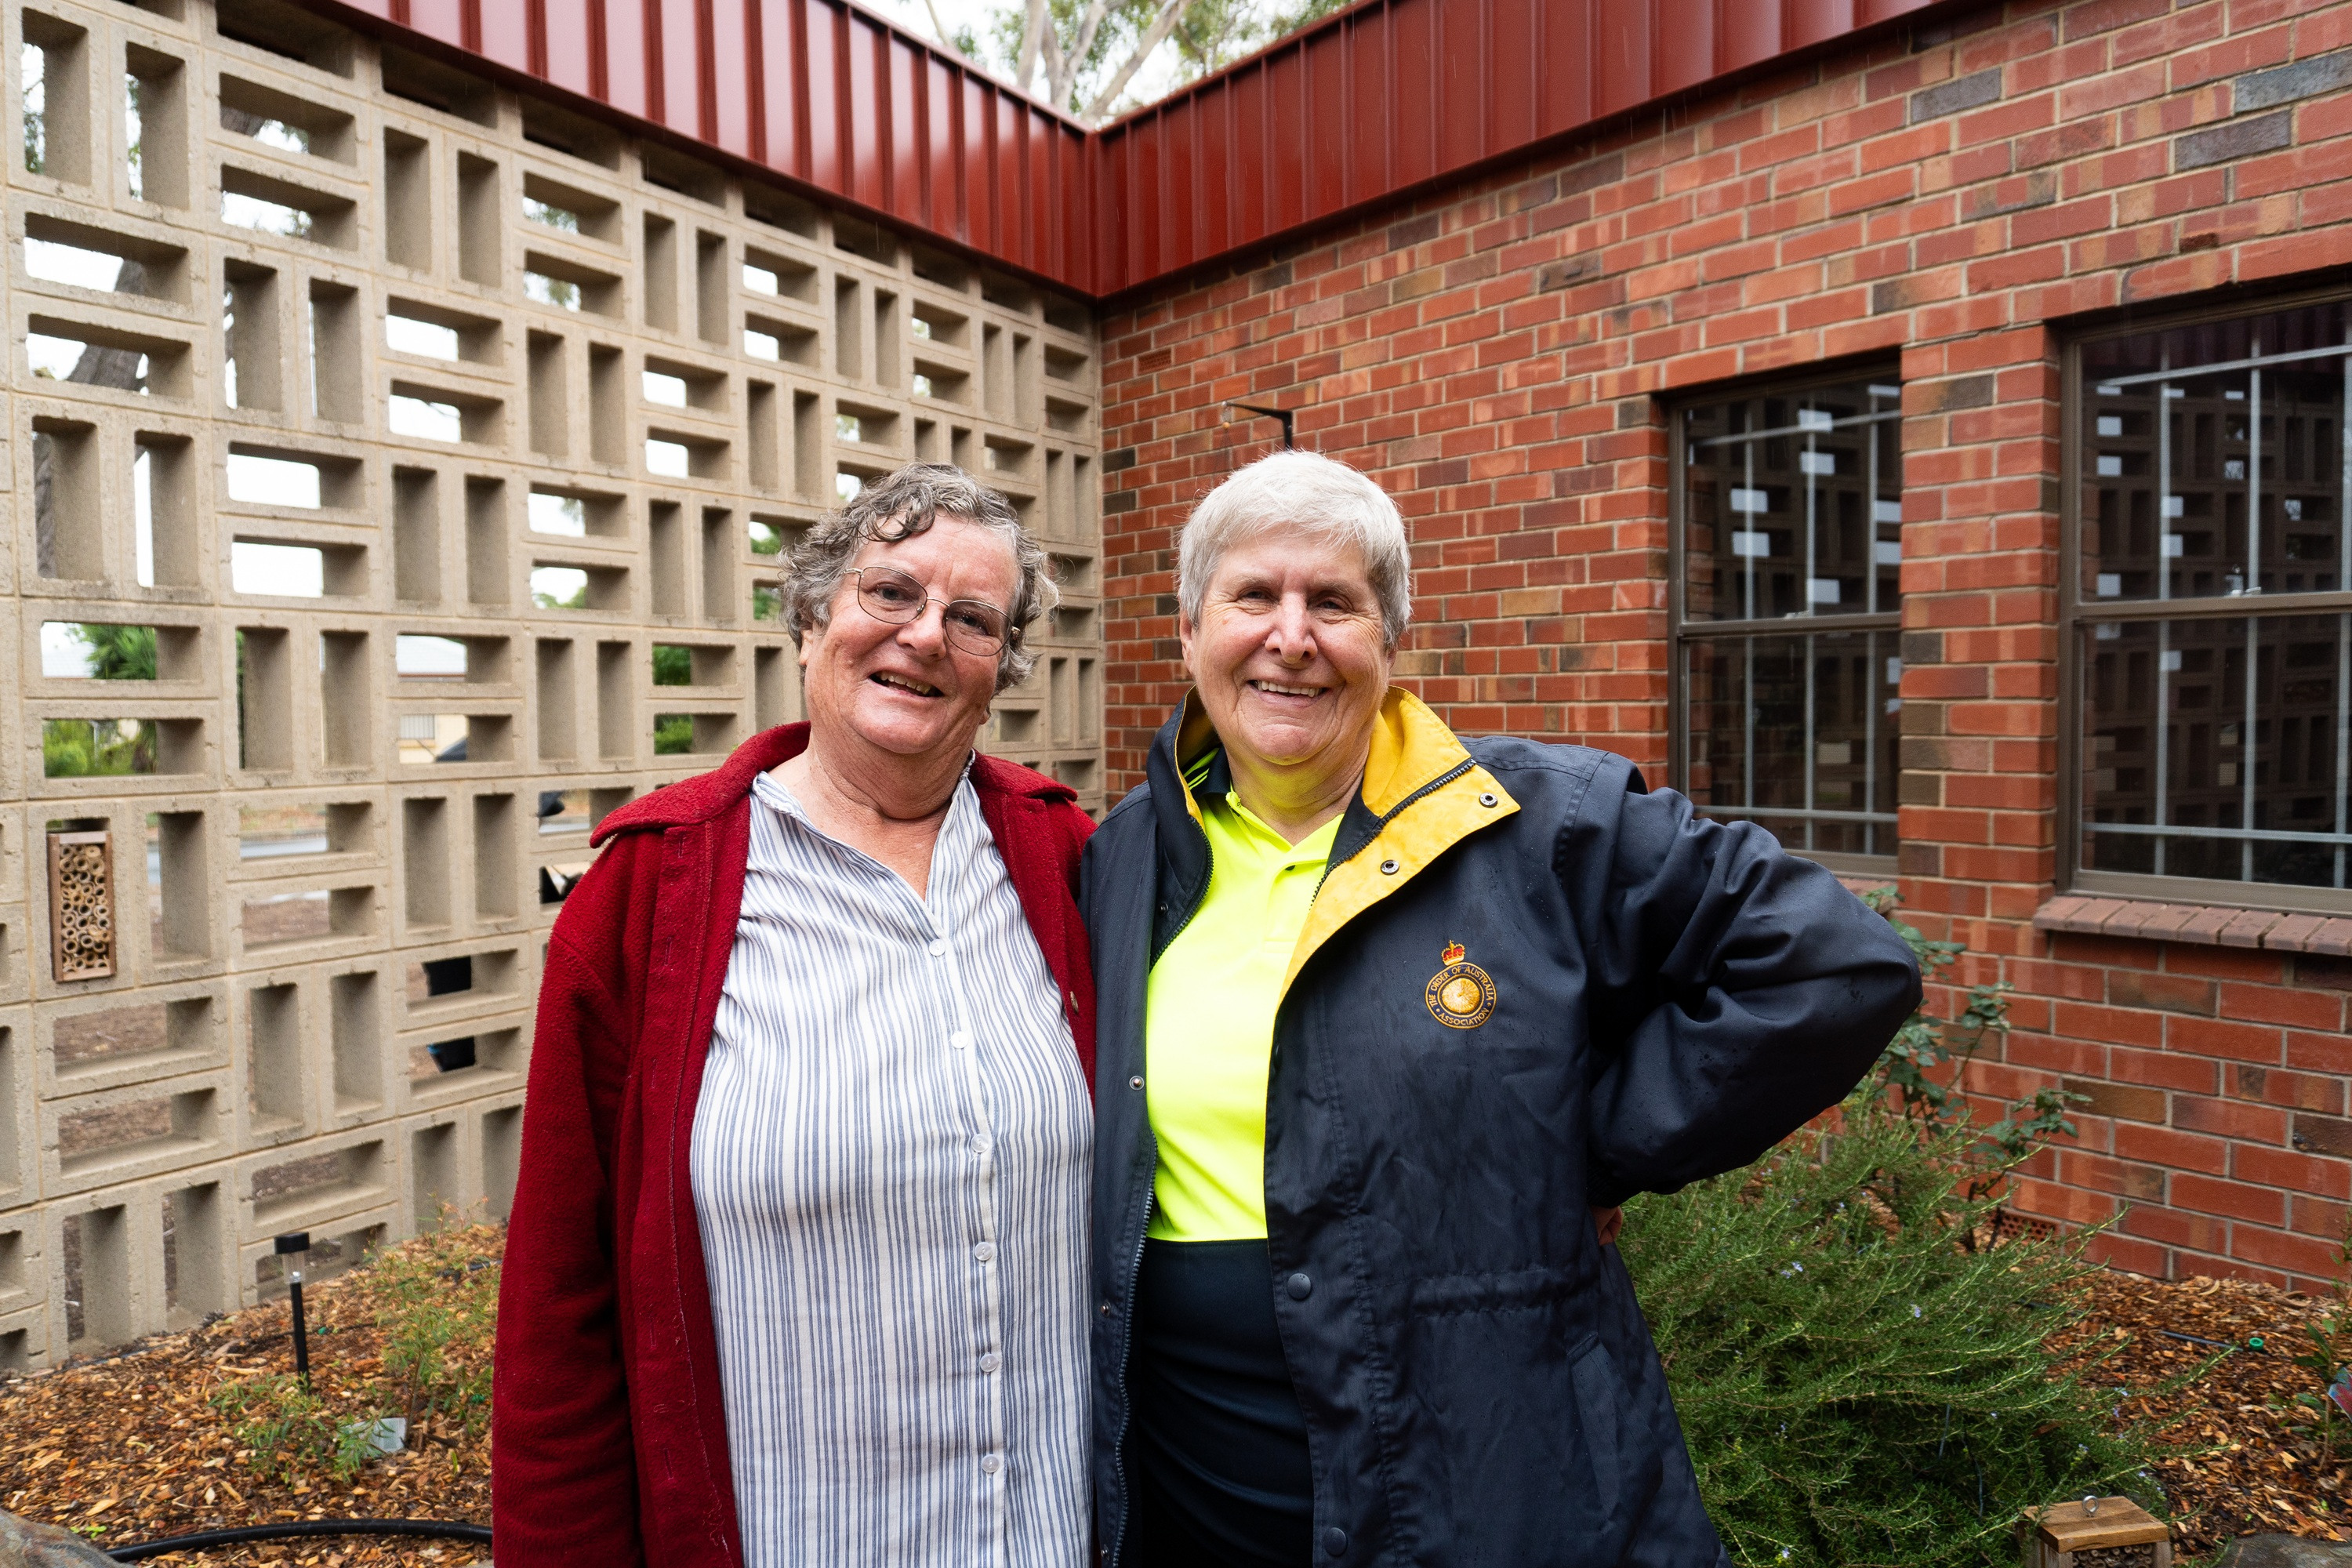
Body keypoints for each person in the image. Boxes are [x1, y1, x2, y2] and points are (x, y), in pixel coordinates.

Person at [1080, 449, 1922, 1567]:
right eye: (1253, 596)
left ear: (1391, 643)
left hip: (1479, 1481)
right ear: (1189, 634)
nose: (1292, 636)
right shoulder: (1124, 857)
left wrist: (1596, 1144)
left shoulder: (1543, 824)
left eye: (1334, 601)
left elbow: (1835, 965)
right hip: (1189, 1488)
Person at [493, 464, 1098, 1568]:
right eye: (890, 593)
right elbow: (556, 1313)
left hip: (1050, 1536)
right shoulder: (650, 898)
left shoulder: (1067, 865)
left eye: (971, 619)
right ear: (815, 613)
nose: (924, 636)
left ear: (1000, 669)